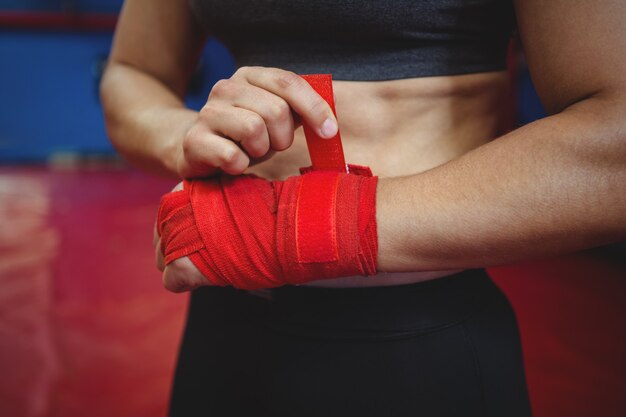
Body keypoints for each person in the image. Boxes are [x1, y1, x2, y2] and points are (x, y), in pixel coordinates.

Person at [100, 1, 626, 416]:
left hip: (417, 338)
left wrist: (293, 230)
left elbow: (616, 142)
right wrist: (181, 136)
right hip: (226, 314)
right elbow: (131, 71)